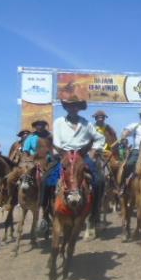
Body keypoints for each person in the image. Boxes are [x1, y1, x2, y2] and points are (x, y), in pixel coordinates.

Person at [50, 96, 106, 226]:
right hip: (64, 154)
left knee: (99, 180)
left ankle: (95, 212)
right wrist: (61, 155)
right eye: (70, 106)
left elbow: (100, 138)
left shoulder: (86, 124)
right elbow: (56, 142)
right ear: (66, 108)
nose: (72, 108)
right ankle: (46, 212)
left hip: (82, 155)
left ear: (78, 108)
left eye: (75, 106)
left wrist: (93, 151)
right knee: (47, 180)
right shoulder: (59, 122)